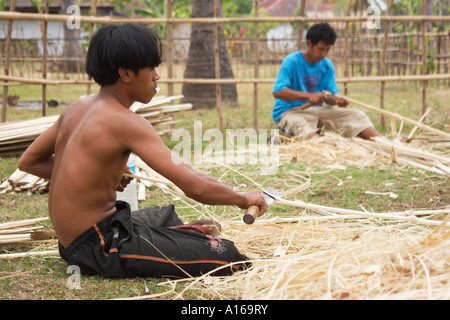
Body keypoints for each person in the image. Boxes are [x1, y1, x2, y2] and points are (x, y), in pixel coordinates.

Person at [18, 23, 267, 279]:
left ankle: (185, 234)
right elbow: (195, 186)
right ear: (126, 74)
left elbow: (29, 162)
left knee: (166, 215)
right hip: (99, 246)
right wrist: (243, 198)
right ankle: (190, 238)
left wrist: (99, 175)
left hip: (75, 239)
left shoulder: (76, 108)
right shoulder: (127, 122)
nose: (157, 76)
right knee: (226, 255)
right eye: (151, 69)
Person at [272, 22, 380, 141]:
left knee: (357, 116)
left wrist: (337, 100)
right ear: (309, 43)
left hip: (318, 110)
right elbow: (278, 92)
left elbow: (330, 97)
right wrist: (309, 96)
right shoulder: (291, 61)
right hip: (291, 111)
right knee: (301, 125)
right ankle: (319, 143)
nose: (324, 54)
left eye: (327, 50)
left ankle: (383, 142)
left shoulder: (327, 65)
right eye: (320, 49)